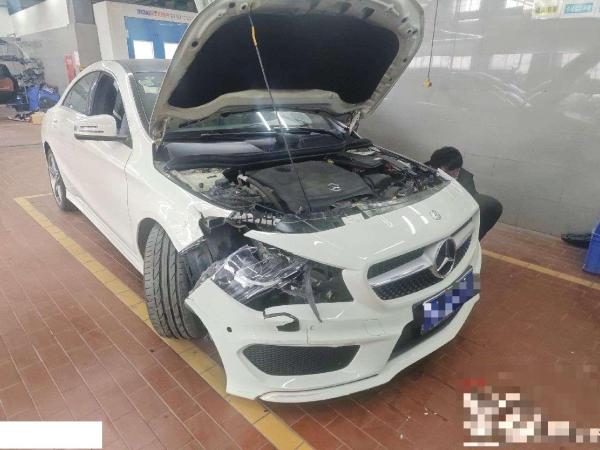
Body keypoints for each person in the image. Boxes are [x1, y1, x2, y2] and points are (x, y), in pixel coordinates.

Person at [426, 146, 502, 240]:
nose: (454, 175)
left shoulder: (466, 180)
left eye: (457, 171)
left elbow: (467, 207)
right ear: (436, 167)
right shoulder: (426, 170)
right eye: (448, 172)